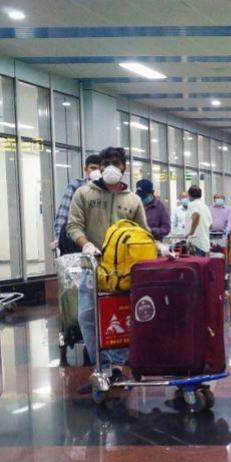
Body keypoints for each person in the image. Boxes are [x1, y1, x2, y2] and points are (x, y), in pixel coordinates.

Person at [64, 146, 150, 366]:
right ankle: (101, 366)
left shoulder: (133, 200)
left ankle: (118, 366)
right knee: (88, 317)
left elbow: (143, 232)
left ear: (124, 167)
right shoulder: (84, 193)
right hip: (93, 267)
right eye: (105, 163)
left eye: (116, 163)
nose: (111, 167)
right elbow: (73, 225)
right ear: (100, 167)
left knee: (122, 318)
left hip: (124, 271)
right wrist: (86, 245)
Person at [52, 154, 101, 253]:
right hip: (76, 239)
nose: (96, 172)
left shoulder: (107, 189)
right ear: (86, 169)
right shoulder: (76, 185)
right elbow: (64, 212)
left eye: (100, 169)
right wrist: (58, 238)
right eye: (93, 168)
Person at [184, 186, 213, 257]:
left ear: (189, 195)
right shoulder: (205, 206)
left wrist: (191, 232)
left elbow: (196, 215)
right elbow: (210, 225)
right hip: (204, 243)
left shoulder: (193, 204)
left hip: (196, 243)